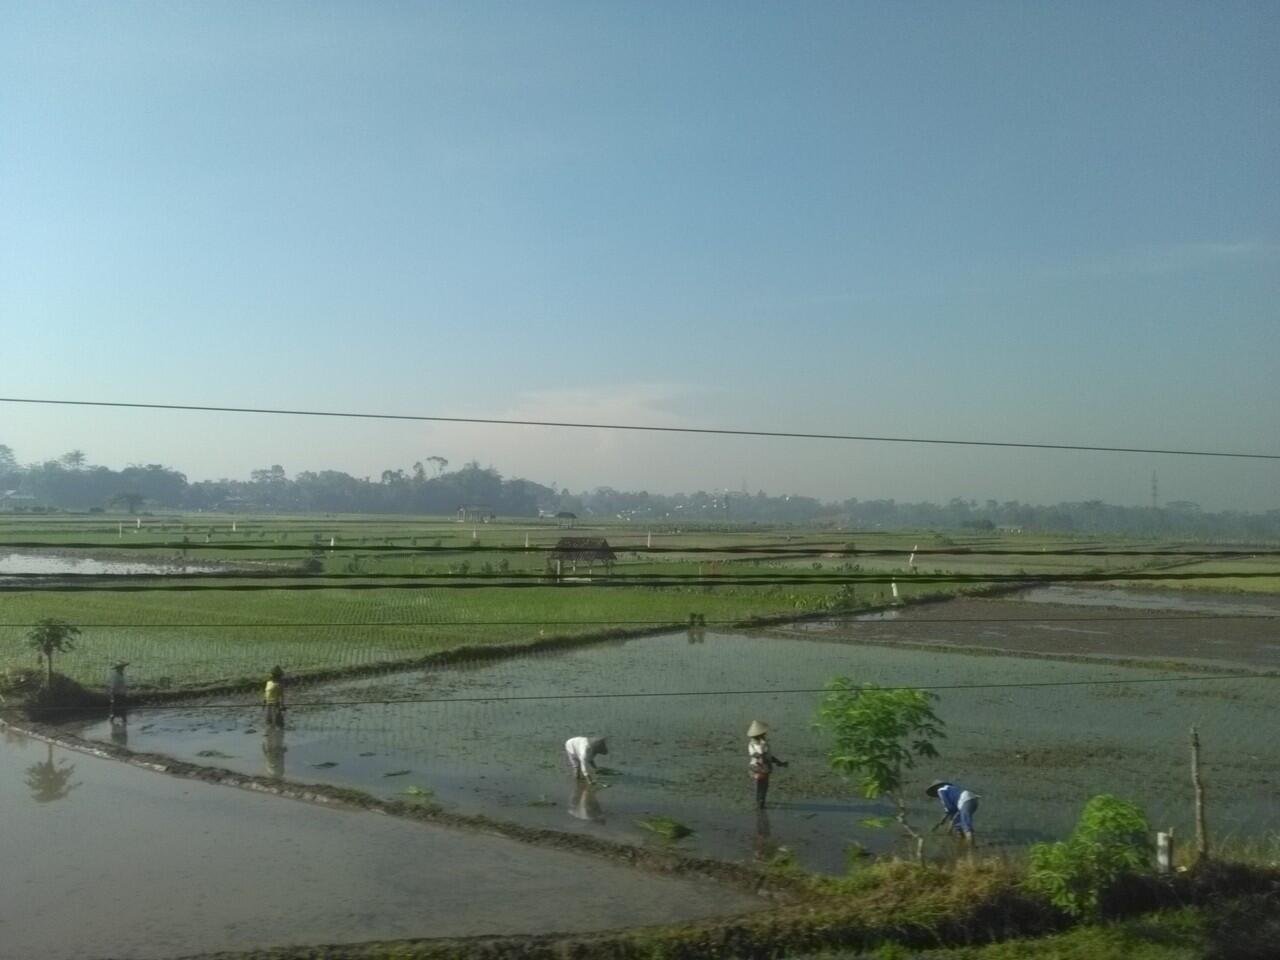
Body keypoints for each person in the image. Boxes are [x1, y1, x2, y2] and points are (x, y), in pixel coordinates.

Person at [748, 720, 788, 809]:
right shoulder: (754, 744)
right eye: (764, 733)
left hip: (763, 767)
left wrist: (779, 762)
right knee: (760, 786)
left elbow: (768, 755)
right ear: (759, 734)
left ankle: (761, 802)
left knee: (763, 786)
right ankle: (760, 804)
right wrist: (762, 750)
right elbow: (758, 754)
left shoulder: (762, 743)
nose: (765, 733)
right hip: (758, 767)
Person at [107, 661, 129, 726]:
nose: (123, 669)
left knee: (122, 706)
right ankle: (113, 718)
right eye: (121, 667)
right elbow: (114, 685)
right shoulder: (116, 676)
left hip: (122, 692)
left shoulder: (122, 674)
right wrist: (114, 692)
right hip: (117, 693)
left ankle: (124, 719)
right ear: (117, 669)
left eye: (123, 667)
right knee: (116, 706)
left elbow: (124, 684)